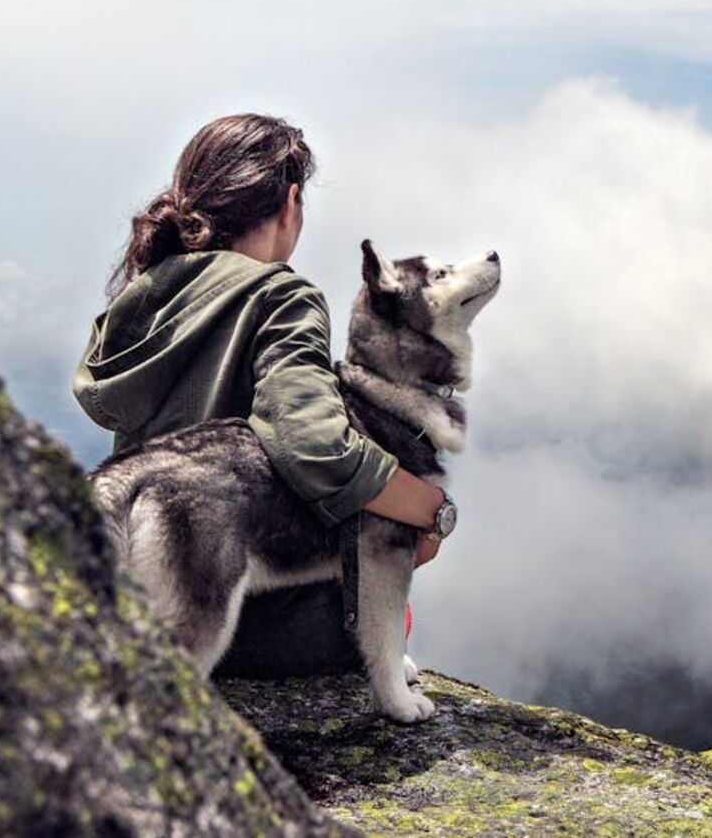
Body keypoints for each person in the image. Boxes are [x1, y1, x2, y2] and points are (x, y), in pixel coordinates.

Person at [71, 113, 448, 678]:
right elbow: (313, 442)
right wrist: (430, 510)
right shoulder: (280, 296)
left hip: (142, 602)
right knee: (394, 609)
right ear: (291, 201)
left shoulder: (142, 297)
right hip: (247, 621)